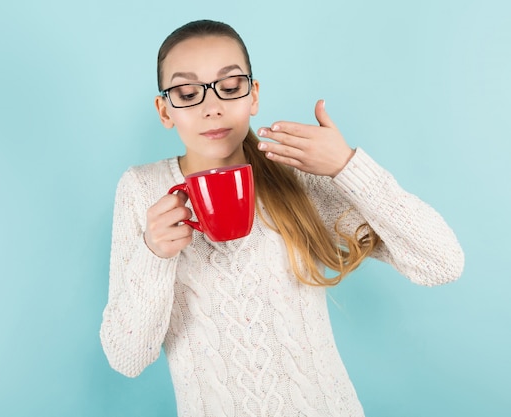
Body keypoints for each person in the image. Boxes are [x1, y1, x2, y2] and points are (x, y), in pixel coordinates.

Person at [100, 19, 464, 417]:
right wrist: (153, 256)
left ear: (253, 96)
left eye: (230, 86)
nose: (212, 107)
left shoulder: (297, 173)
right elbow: (126, 358)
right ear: (164, 110)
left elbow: (441, 263)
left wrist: (347, 167)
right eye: (187, 93)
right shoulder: (142, 189)